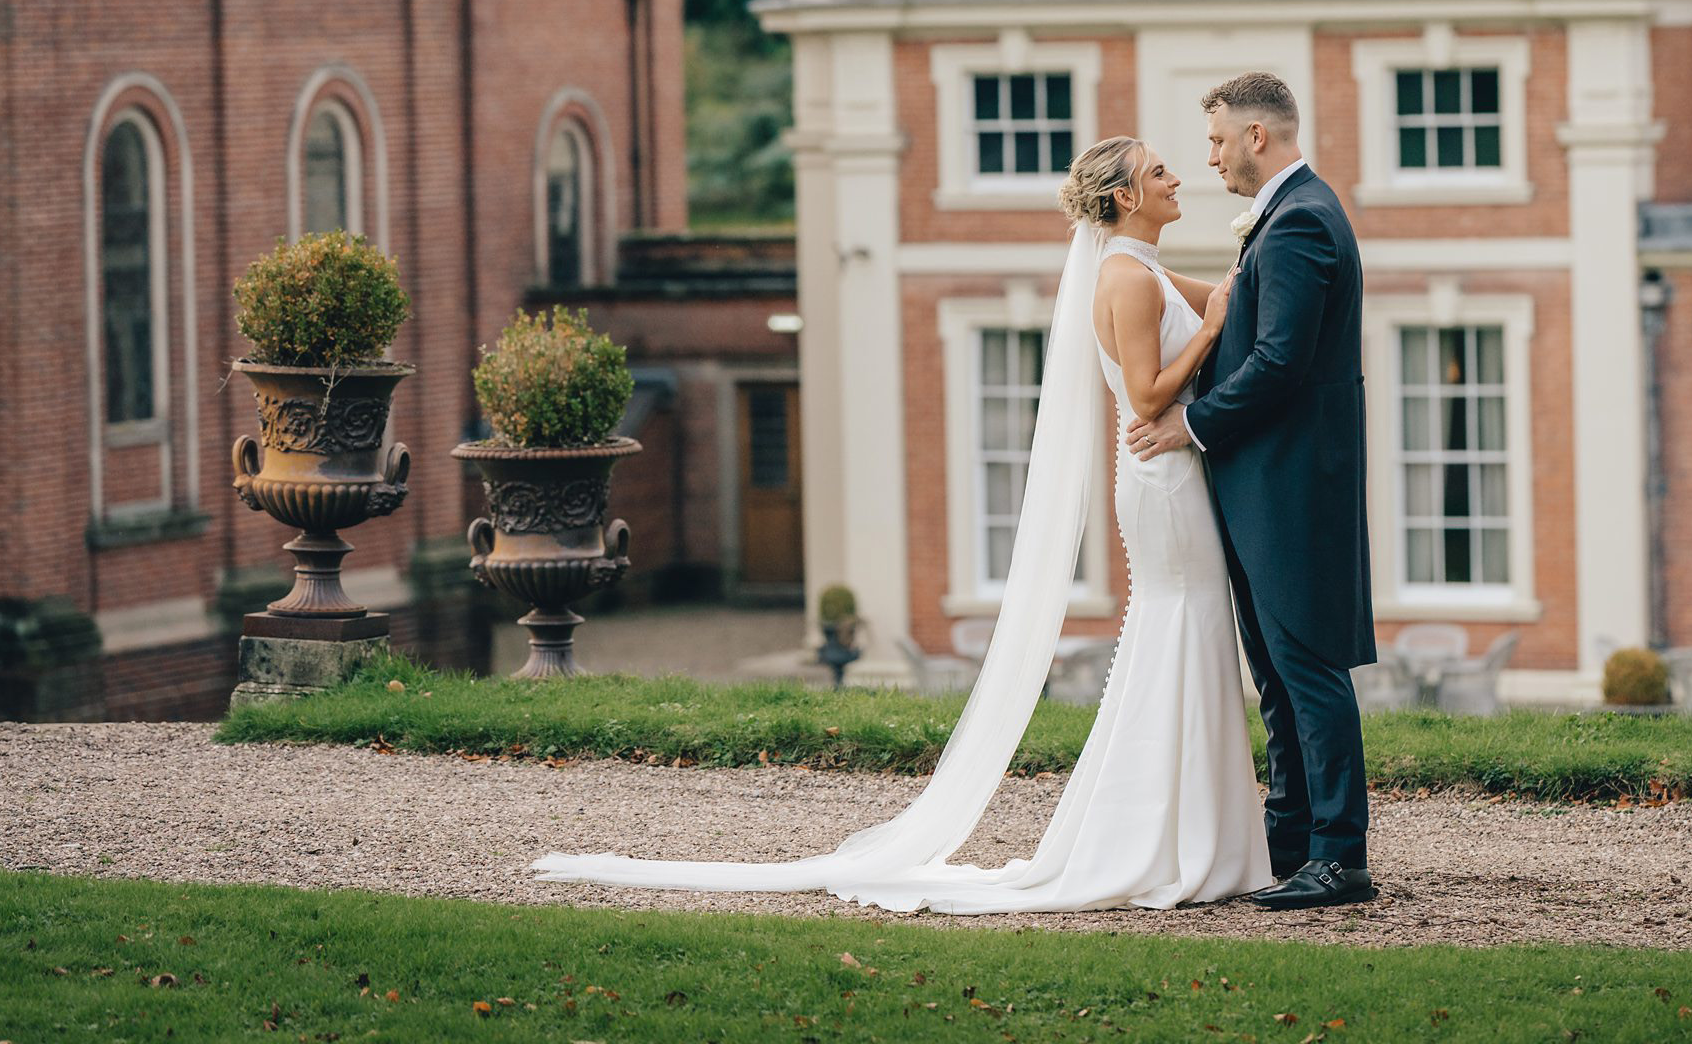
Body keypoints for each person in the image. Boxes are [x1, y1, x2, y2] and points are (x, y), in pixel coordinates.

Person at [528, 135, 1274, 912]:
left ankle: (1197, 835)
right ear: (1124, 196)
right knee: (1177, 630)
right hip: (1161, 475)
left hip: (1170, 478)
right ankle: (1172, 842)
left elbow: (1226, 293)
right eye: (1159, 172)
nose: (1176, 177)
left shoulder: (1141, 268)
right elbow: (1150, 398)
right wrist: (1216, 330)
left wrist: (1251, 259)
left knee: (1188, 633)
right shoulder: (1127, 279)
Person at [1126, 71, 1377, 910]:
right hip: (1264, 479)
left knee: (1306, 666)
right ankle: (1292, 838)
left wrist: (1189, 427)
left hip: (1291, 482)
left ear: (1258, 137)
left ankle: (1339, 857)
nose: (1211, 158)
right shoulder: (1284, 216)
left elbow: (1280, 362)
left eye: (1219, 141)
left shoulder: (1301, 220)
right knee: (1275, 669)